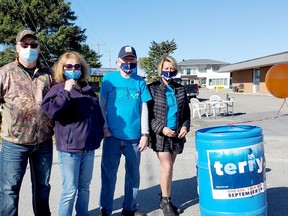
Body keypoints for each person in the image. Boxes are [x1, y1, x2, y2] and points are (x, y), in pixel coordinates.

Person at [41, 51, 104, 216]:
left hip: (88, 148)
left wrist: (97, 135)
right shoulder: (58, 88)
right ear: (62, 69)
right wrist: (66, 92)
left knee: (84, 188)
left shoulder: (87, 89)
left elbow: (97, 116)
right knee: (70, 190)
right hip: (70, 150)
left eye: (77, 66)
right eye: (69, 66)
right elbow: (50, 110)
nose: (73, 69)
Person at [0, 29, 54, 216]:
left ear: (38, 48)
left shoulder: (48, 75)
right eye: (25, 45)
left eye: (33, 45)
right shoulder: (5, 73)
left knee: (42, 188)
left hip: (44, 142)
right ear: (17, 47)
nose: (29, 48)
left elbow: (57, 103)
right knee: (9, 190)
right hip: (14, 144)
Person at [99, 45, 152, 216]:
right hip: (112, 136)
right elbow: (102, 105)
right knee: (108, 175)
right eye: (125, 59)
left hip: (134, 138)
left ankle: (129, 208)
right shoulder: (108, 79)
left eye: (131, 59)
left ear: (135, 61)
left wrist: (145, 133)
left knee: (133, 176)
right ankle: (106, 209)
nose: (128, 62)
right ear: (118, 61)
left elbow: (144, 109)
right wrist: (105, 126)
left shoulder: (140, 81)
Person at [147, 56, 191, 216]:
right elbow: (148, 116)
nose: (169, 71)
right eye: (166, 69)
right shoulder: (151, 88)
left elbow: (186, 112)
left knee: (169, 169)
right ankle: (165, 202)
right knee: (167, 167)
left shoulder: (180, 89)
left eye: (171, 69)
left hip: (177, 135)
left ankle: (166, 198)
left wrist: (185, 126)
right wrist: (162, 129)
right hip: (161, 135)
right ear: (160, 70)